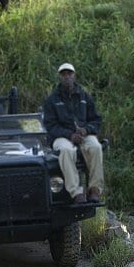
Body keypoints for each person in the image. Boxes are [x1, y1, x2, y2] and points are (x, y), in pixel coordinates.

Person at [42, 63, 104, 203]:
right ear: (60, 77)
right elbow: (51, 126)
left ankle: (95, 190)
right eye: (64, 74)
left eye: (69, 74)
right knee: (65, 150)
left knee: (95, 147)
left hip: (83, 134)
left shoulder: (84, 97)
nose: (67, 77)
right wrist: (70, 135)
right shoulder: (52, 100)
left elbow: (96, 120)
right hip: (62, 136)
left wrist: (86, 130)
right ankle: (76, 192)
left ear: (74, 75)